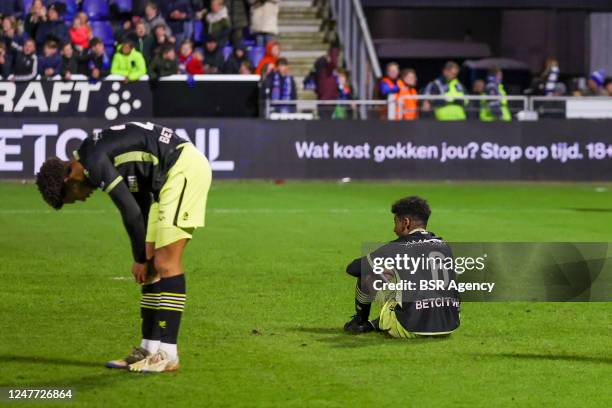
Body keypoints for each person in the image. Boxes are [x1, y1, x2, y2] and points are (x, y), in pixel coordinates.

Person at [36, 121, 212, 373]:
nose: (80, 199)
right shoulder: (94, 153)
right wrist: (144, 254)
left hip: (182, 168)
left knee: (165, 262)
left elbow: (128, 210)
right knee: (152, 263)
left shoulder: (93, 161)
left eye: (70, 196)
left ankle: (168, 354)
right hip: (161, 183)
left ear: (68, 176)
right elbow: (137, 198)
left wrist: (139, 257)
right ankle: (148, 349)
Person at [343, 196, 460, 338]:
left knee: (368, 275)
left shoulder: (397, 247)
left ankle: (360, 322)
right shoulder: (444, 244)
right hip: (449, 324)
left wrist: (383, 268)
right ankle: (377, 323)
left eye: (396, 222)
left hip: (412, 329)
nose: (394, 229)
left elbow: (353, 268)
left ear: (406, 223)